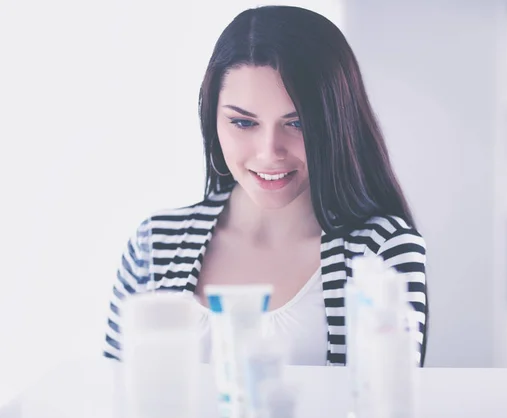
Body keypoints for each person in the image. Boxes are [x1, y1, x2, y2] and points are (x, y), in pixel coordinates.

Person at [103, 5, 428, 367]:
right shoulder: (154, 245)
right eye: (244, 123)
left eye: (298, 124)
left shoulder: (381, 250)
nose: (269, 152)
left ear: (337, 123)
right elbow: (116, 394)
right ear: (213, 121)